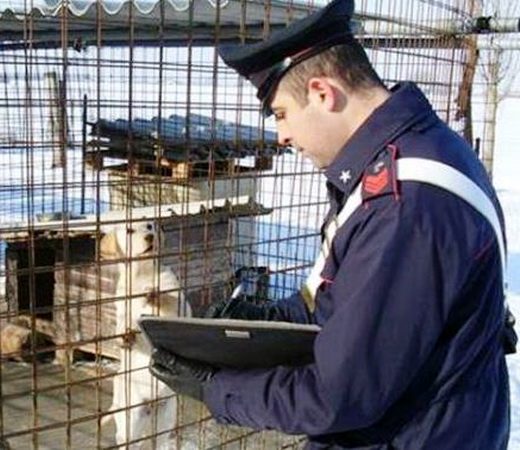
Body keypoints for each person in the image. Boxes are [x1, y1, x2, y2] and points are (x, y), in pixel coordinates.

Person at [149, 0, 514, 448]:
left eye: (281, 113)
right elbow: (344, 301)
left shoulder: (406, 204)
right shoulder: (408, 154)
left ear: (323, 92)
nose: (281, 135)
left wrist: (217, 388)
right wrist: (266, 320)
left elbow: (341, 394)